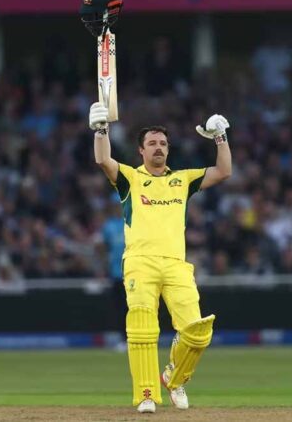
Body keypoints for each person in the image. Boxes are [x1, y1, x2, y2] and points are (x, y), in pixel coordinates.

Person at [90, 101, 232, 414]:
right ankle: (146, 394)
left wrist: (220, 138)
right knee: (142, 328)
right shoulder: (129, 178)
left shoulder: (182, 180)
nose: (159, 148)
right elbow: (103, 160)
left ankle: (173, 378)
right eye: (152, 143)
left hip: (176, 264)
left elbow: (223, 171)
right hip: (140, 262)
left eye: (163, 143)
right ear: (141, 150)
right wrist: (100, 131)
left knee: (197, 331)